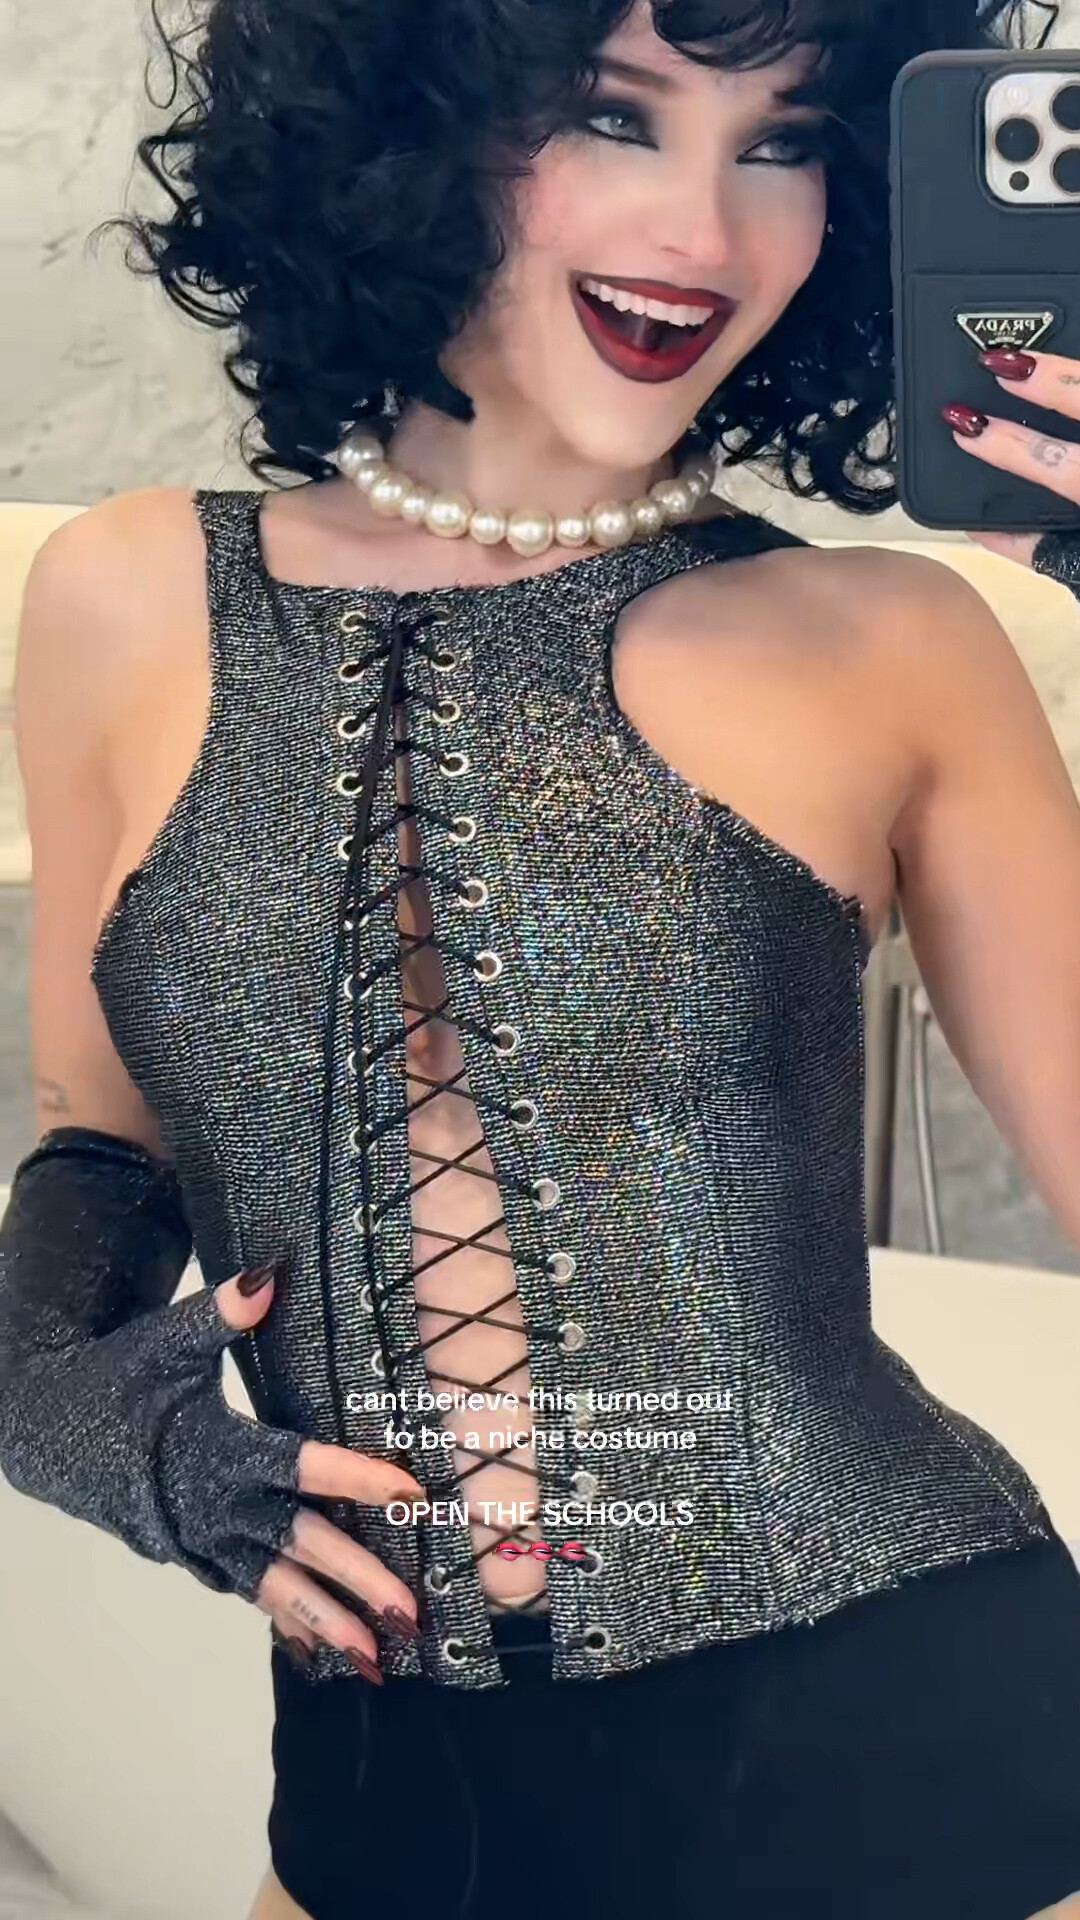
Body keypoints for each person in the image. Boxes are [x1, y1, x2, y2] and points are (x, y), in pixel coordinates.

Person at [4, 0, 1080, 1915]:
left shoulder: (893, 640)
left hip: (909, 1748)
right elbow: (106, 1144)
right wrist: (44, 1391)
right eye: (612, 113)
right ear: (397, 124)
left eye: (783, 140)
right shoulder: (119, 596)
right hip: (384, 1793)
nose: (705, 231)